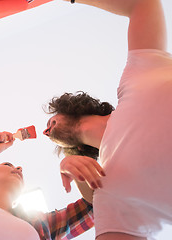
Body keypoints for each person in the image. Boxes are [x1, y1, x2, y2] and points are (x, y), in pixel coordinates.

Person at [43, 0, 172, 239]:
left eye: (51, 119)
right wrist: (70, 167)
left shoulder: (137, 76)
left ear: (73, 107)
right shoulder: (108, 190)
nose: (46, 129)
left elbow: (143, 3)